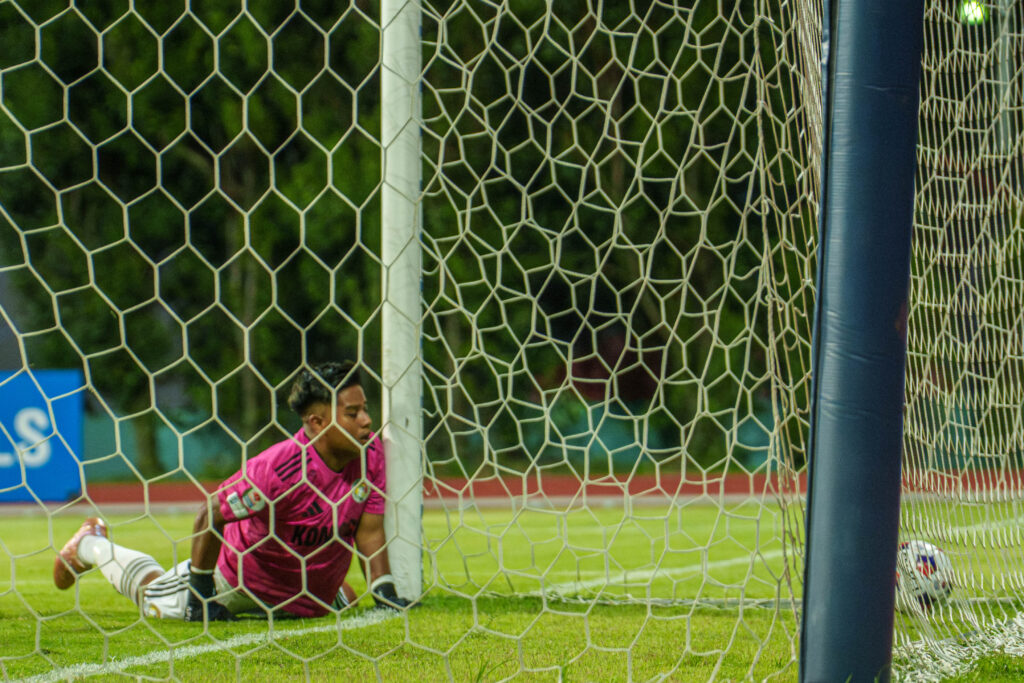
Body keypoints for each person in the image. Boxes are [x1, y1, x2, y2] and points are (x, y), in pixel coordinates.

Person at [52, 360, 411, 621]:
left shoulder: (372, 454)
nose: (367, 420)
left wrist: (383, 591)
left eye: (365, 409)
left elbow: (370, 530)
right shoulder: (278, 470)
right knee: (153, 599)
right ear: (316, 423)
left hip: (305, 596)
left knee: (348, 598)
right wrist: (202, 594)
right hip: (239, 582)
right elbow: (210, 514)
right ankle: (91, 543)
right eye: (353, 413)